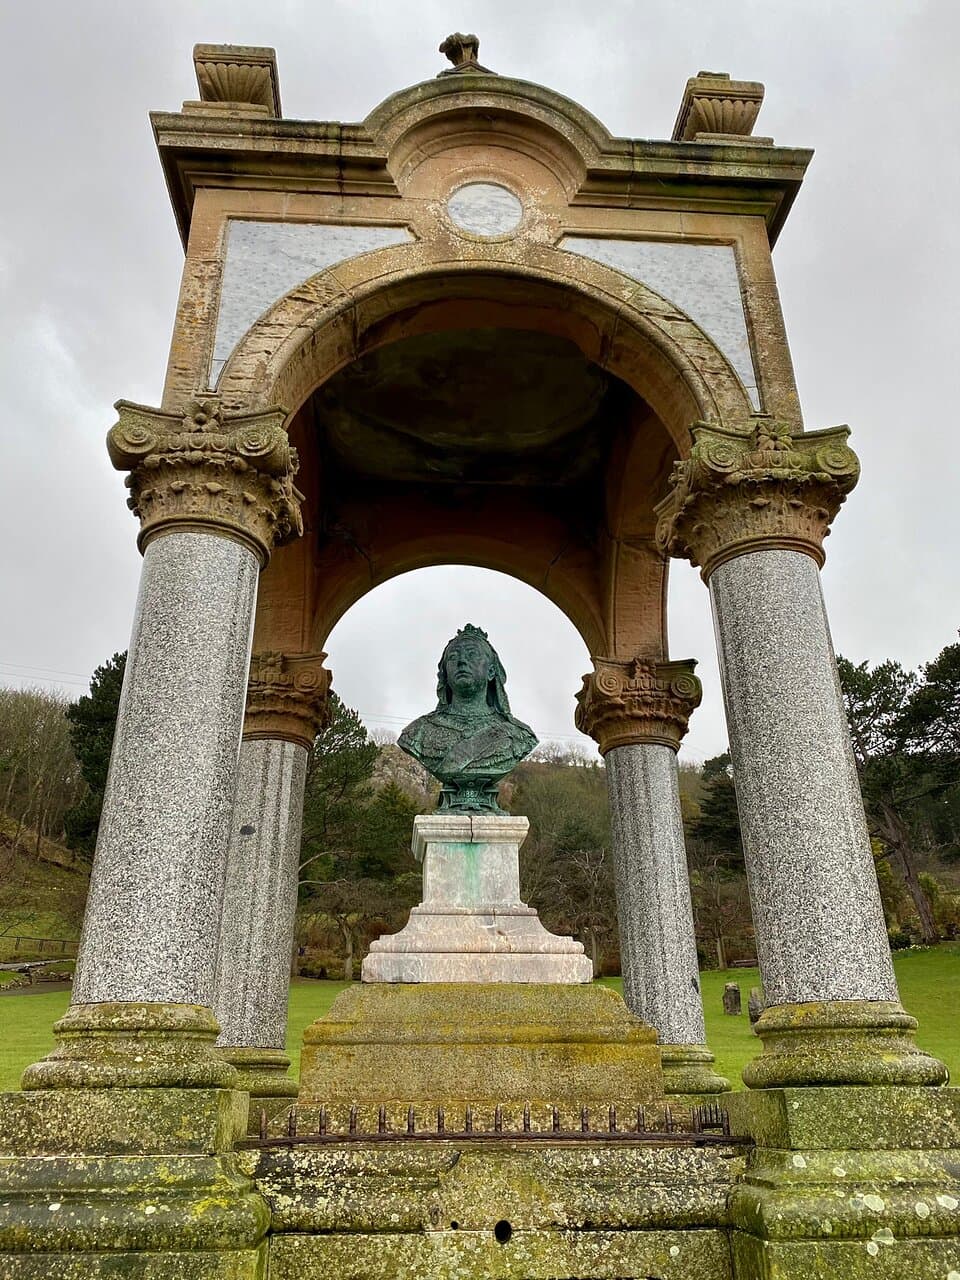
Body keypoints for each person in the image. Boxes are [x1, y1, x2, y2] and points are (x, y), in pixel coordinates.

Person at [399, 624, 537, 812]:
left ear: (491, 672)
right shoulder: (418, 732)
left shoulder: (520, 735)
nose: (462, 661)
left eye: (472, 655)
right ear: (445, 675)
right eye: (453, 657)